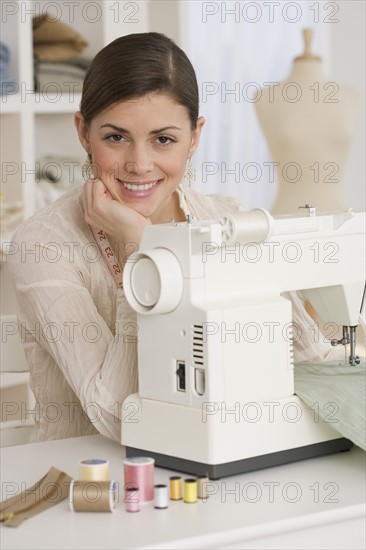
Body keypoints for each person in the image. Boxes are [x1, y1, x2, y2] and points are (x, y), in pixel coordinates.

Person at [7, 32, 339, 443]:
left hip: (212, 467)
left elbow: (310, 360)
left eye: (163, 139)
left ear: (194, 136)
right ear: (83, 132)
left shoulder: (226, 219)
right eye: (116, 137)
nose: (139, 164)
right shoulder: (44, 246)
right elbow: (119, 419)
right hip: (88, 484)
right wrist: (138, 250)